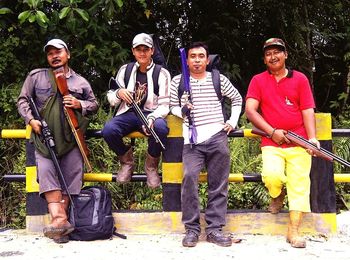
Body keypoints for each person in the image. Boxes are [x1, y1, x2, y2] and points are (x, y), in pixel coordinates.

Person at [17, 38, 99, 243]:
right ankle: (59, 219)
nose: (54, 56)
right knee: (47, 175)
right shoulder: (36, 77)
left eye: (58, 52)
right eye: (50, 53)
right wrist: (31, 120)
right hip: (43, 139)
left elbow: (94, 105)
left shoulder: (80, 82)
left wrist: (79, 103)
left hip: (71, 140)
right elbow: (23, 100)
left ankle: (61, 229)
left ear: (68, 54)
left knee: (71, 179)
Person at [245, 38, 320, 248]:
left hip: (299, 141)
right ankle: (277, 195)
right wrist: (272, 132)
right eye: (268, 53)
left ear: (285, 54)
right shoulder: (258, 80)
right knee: (272, 176)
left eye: (277, 52)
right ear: (264, 59)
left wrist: (312, 139)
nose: (273, 56)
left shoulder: (300, 79)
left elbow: (307, 110)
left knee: (299, 185)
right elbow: (250, 110)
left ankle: (293, 231)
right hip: (272, 141)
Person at [170, 42, 242, 247]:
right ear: (187, 60)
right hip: (191, 140)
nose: (197, 60)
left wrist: (232, 121)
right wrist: (182, 110)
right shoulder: (179, 81)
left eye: (201, 56)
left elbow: (236, 98)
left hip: (217, 136)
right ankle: (191, 229)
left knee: (219, 183)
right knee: (189, 179)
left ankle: (214, 229)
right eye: (193, 56)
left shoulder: (218, 78)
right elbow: (170, 106)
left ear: (207, 59)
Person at [102, 33, 171, 188]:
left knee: (160, 128)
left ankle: (151, 166)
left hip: (150, 113)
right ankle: (126, 162)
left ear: (152, 50)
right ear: (133, 51)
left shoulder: (162, 73)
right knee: (108, 130)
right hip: (127, 112)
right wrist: (119, 93)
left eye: (145, 49)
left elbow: (165, 105)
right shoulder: (125, 70)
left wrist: (152, 118)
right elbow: (112, 98)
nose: (142, 53)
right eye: (138, 49)